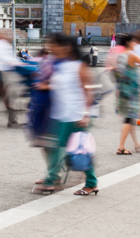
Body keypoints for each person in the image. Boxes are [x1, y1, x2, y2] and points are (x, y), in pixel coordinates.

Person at [33, 33, 98, 196]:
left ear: (66, 47)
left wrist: (86, 114)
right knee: (58, 147)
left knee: (78, 150)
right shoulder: (60, 65)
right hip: (60, 114)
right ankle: (53, 178)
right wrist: (45, 86)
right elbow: (61, 86)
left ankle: (90, 183)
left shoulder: (79, 66)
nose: (51, 47)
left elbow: (89, 90)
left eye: (54, 45)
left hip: (75, 115)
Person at [114, 42, 140, 154]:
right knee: (129, 119)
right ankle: (121, 147)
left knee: (131, 119)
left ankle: (136, 144)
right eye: (134, 42)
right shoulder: (130, 56)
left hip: (123, 90)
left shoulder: (120, 57)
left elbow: (117, 76)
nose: (136, 44)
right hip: (130, 92)